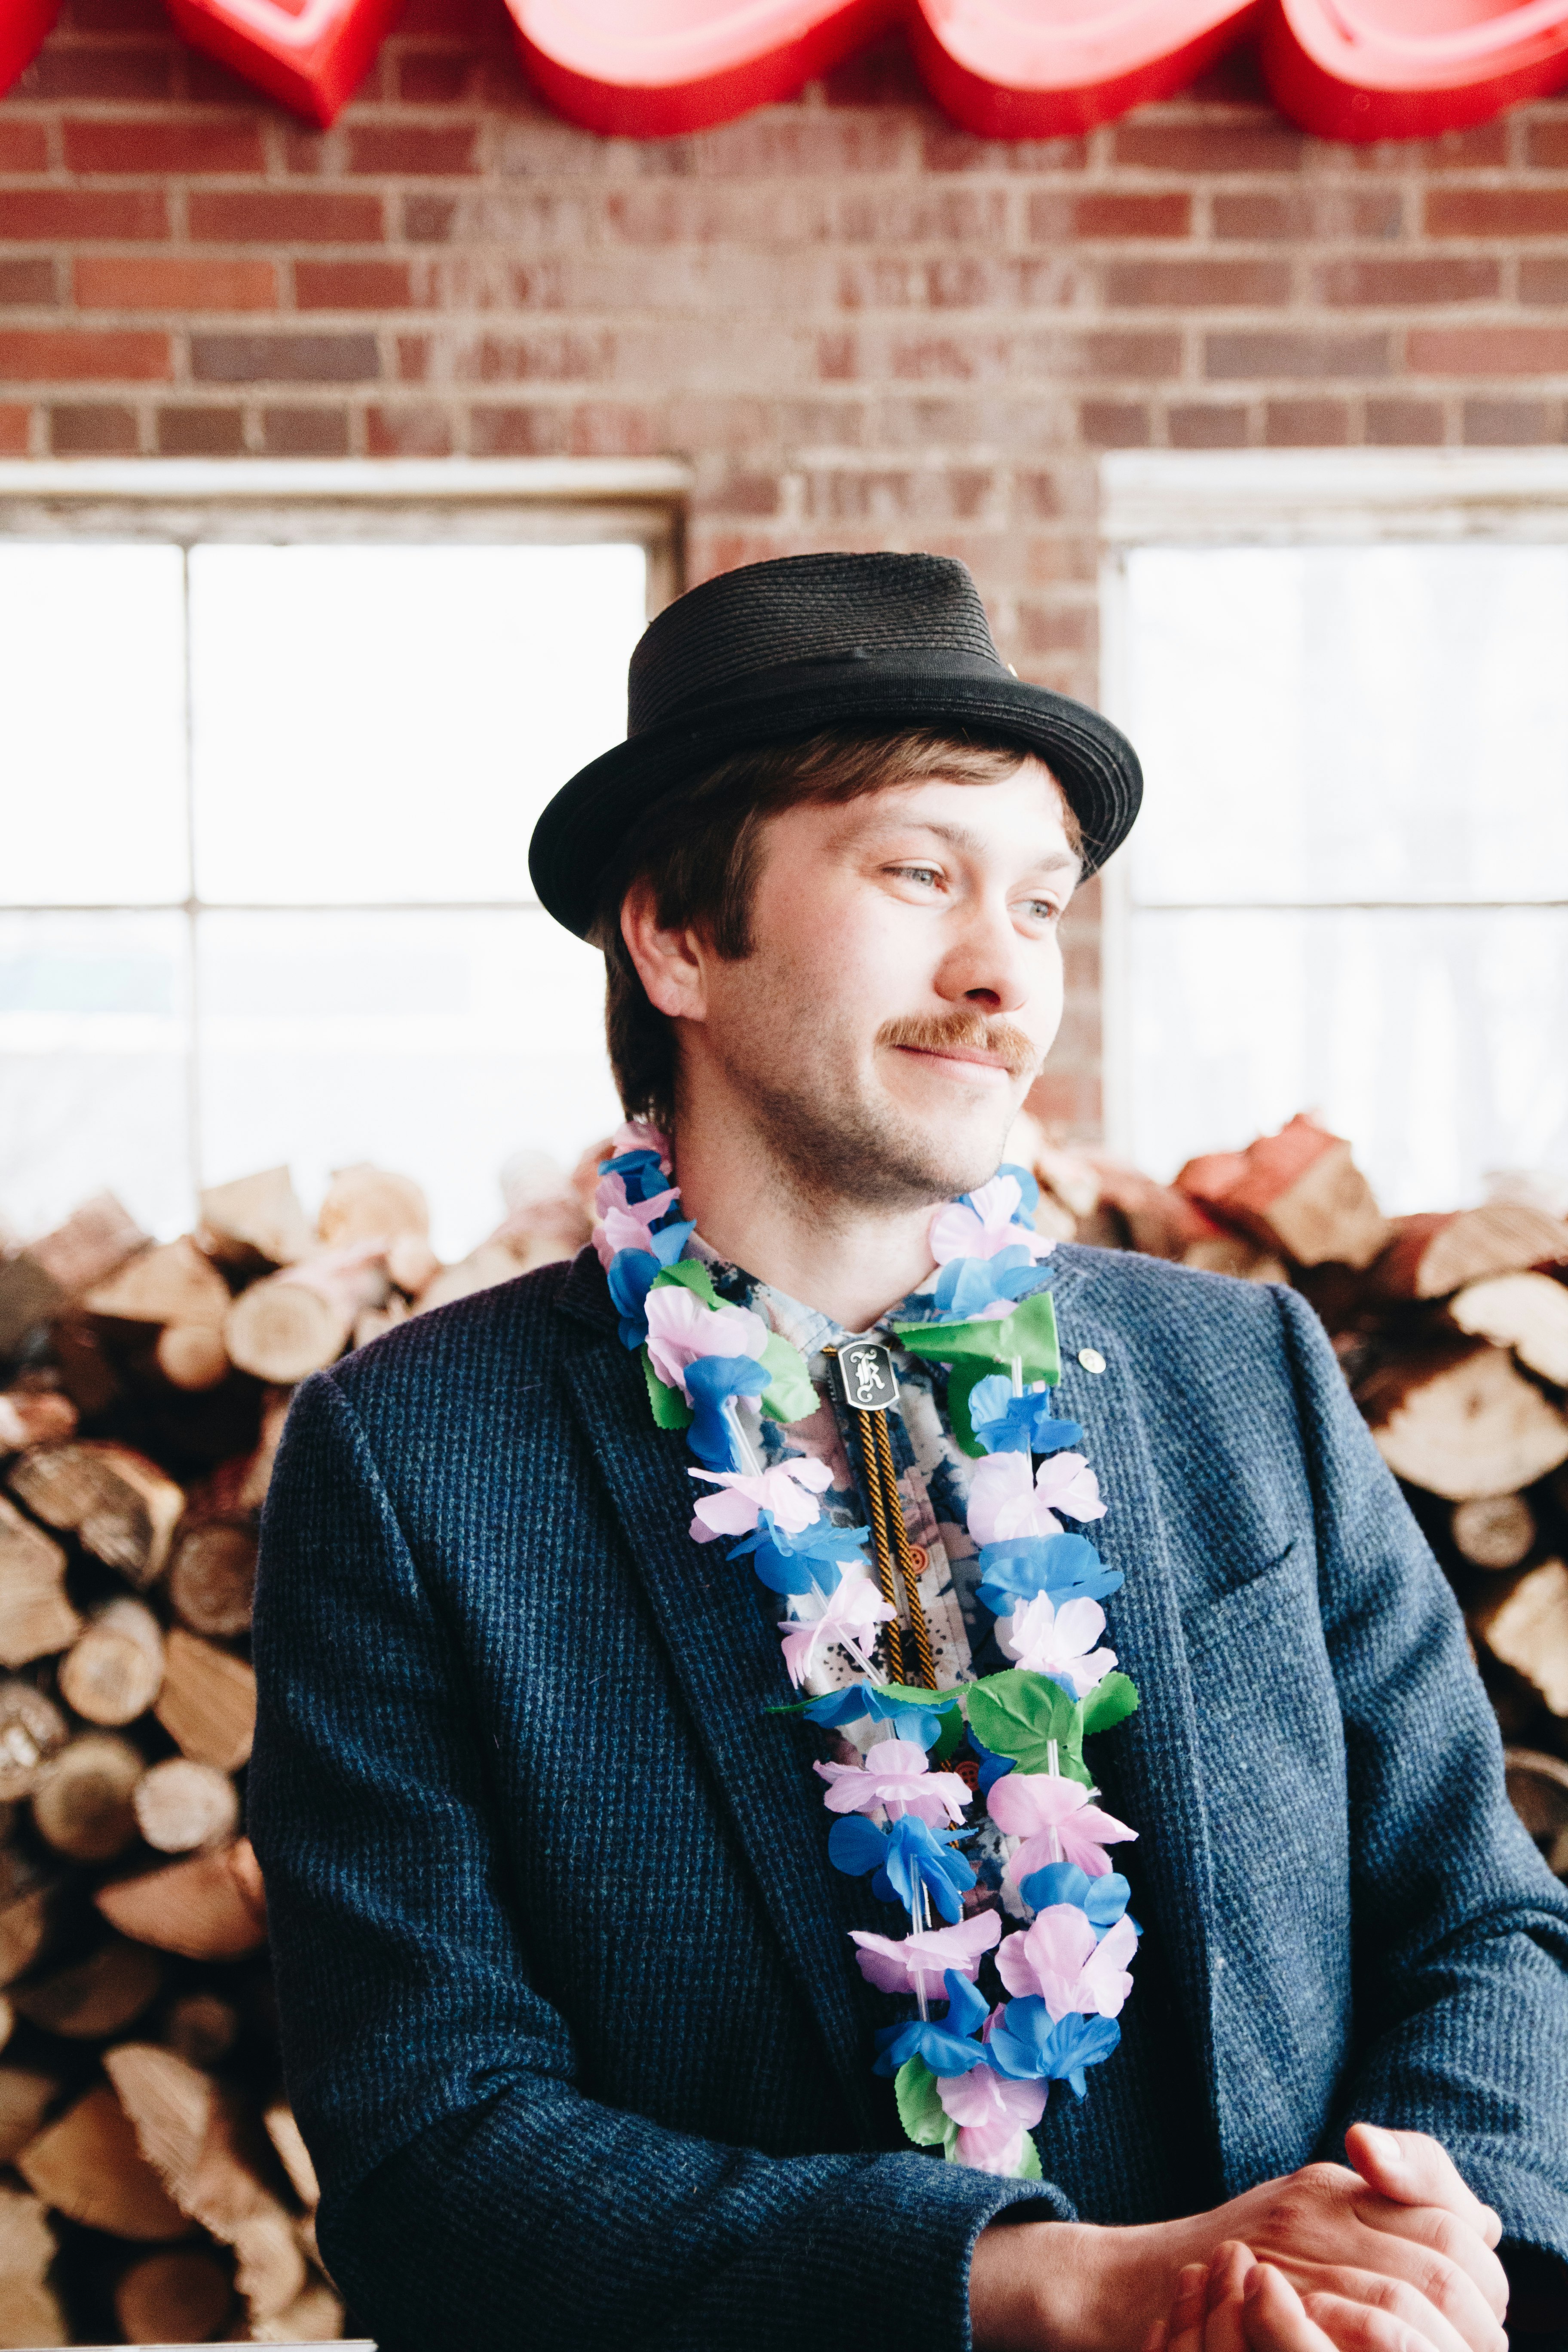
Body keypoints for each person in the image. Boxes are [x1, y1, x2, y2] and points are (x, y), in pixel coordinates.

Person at [250, 552, 1568, 2352]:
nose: (999, 976)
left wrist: (1430, 2231)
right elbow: (433, 2154)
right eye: (917, 875)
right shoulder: (413, 1463)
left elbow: (1485, 1921)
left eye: (1041, 904)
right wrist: (1050, 2288)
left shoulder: (1239, 1371)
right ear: (678, 937)